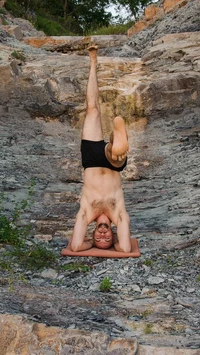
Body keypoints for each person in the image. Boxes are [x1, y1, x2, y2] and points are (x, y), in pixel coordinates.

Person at [69, 45, 132, 253]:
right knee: (117, 157)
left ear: (93, 233)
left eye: (99, 238)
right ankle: (116, 145)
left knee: (92, 109)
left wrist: (92, 245)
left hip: (91, 160)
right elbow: (124, 248)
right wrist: (111, 246)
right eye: (106, 238)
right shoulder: (118, 213)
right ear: (112, 233)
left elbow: (76, 245)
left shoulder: (87, 212)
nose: (102, 236)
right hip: (114, 165)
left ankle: (93, 62)